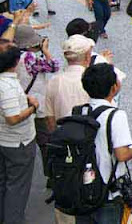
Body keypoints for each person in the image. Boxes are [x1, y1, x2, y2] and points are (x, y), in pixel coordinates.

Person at [76, 63, 132, 224]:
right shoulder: (115, 115)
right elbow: (121, 154)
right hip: (107, 191)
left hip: (82, 187)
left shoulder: (80, 111)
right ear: (113, 87)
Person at [14, 25, 59, 186]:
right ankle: (51, 176)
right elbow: (54, 66)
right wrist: (46, 50)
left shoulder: (12, 56)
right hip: (37, 105)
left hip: (19, 103)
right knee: (45, 140)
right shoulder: (29, 58)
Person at [0, 38, 38, 224]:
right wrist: (33, 108)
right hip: (18, 143)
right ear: (15, 62)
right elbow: (13, 118)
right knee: (17, 187)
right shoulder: (6, 86)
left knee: (4, 182)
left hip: (4, 139)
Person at [44, 35, 93, 131]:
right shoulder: (94, 80)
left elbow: (50, 119)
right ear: (87, 56)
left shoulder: (54, 81)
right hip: (90, 137)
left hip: (63, 136)